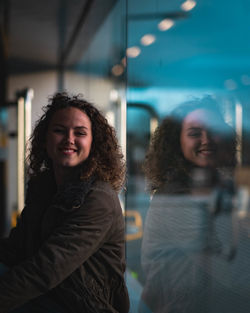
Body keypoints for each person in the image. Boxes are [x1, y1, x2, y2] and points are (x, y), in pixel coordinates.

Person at [0, 92, 130, 313]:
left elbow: (45, 269)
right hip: (45, 300)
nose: (69, 139)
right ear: (46, 139)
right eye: (59, 130)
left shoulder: (99, 198)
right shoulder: (43, 188)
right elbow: (16, 249)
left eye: (79, 133)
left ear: (93, 143)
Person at [139, 96, 250, 313]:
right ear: (177, 143)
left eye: (213, 130)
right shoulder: (175, 198)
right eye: (194, 133)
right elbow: (237, 268)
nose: (206, 139)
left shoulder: (215, 187)